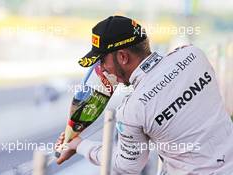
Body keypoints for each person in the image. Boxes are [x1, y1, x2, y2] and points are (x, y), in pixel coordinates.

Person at [56, 16, 233, 174]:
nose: (101, 69)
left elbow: (127, 167)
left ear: (123, 57)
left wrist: (79, 145)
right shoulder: (194, 55)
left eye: (102, 60)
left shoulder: (132, 110)